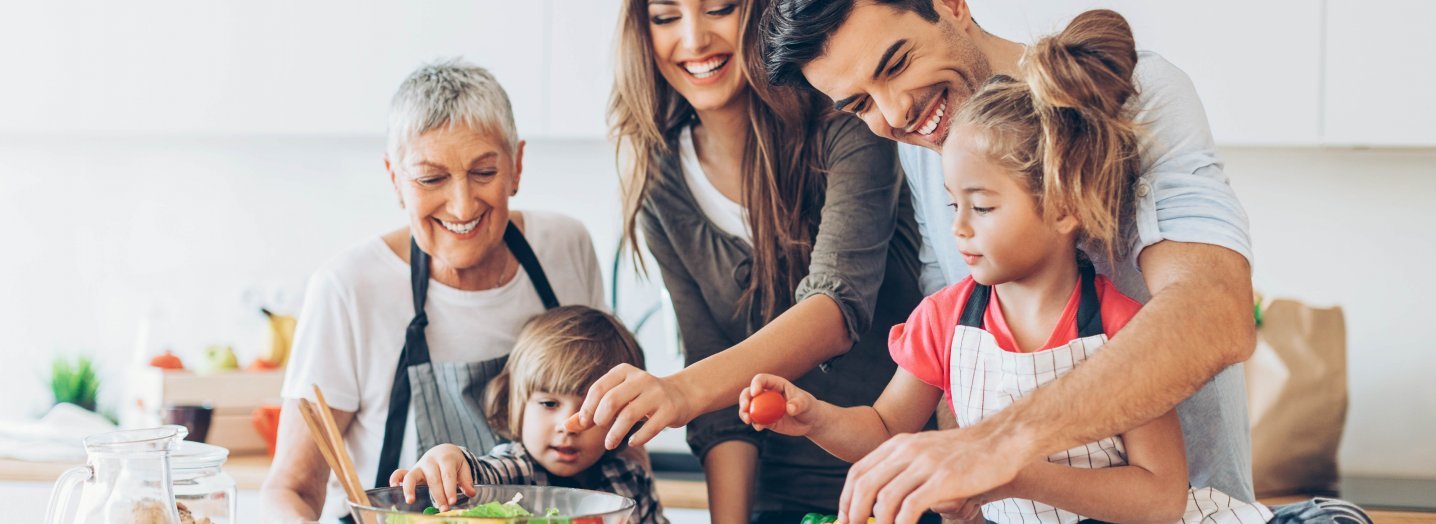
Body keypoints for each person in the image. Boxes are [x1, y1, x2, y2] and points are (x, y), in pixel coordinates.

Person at [741, 12, 1273, 523]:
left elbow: (1215, 312)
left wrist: (999, 451)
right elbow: (945, 389)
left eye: (897, 63)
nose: (895, 115)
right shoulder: (930, 147)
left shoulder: (1139, 94)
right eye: (859, 104)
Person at [570, 0, 925, 522]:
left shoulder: (844, 120)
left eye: (718, 9)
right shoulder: (661, 182)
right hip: (775, 497)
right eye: (666, 18)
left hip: (902, 483)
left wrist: (681, 390)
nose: (693, 40)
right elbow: (719, 405)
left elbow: (836, 308)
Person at [260, 59, 606, 522]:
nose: (462, 204)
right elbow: (291, 488)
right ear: (396, 180)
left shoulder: (565, 248)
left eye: (484, 172)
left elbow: (616, 427)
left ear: (517, 166)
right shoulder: (348, 288)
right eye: (431, 178)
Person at [391, 306, 667, 524]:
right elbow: (477, 476)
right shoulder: (516, 470)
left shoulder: (631, 479)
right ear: (516, 405)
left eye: (590, 411)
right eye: (549, 404)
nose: (567, 426)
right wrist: (447, 457)